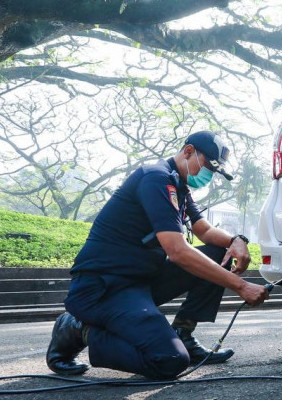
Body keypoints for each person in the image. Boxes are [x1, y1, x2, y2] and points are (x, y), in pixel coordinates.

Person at [45, 131, 269, 379]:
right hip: (104, 288)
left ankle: (183, 333)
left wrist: (237, 240)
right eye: (206, 166)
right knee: (169, 360)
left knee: (219, 253)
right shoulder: (155, 178)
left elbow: (204, 230)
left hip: (140, 280)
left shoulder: (178, 187)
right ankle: (78, 329)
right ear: (188, 151)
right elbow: (177, 251)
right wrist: (241, 285)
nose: (208, 175)